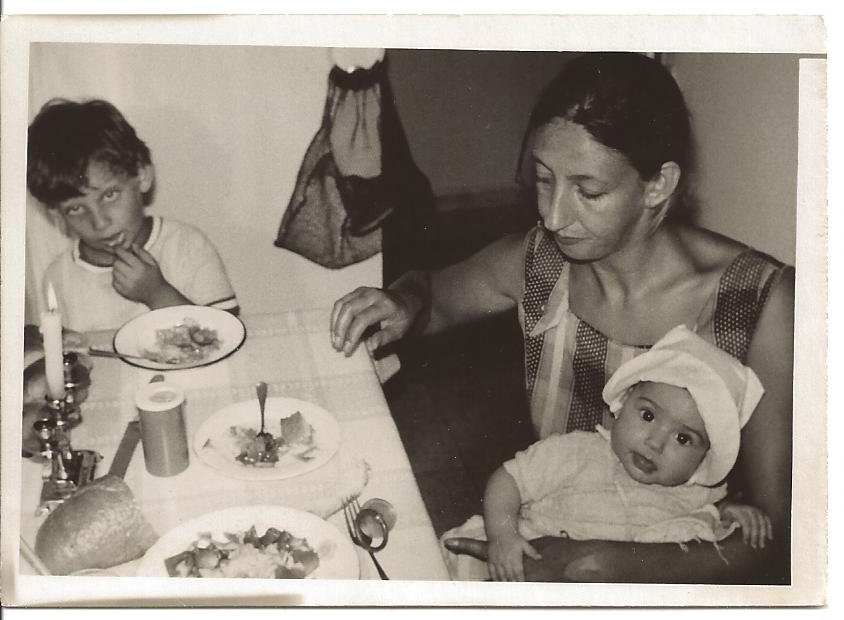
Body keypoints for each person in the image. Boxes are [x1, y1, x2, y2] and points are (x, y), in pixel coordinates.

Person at [330, 52, 794, 583]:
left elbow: (773, 536)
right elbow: (434, 294)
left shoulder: (757, 300)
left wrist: (593, 562)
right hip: (547, 534)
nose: (552, 217)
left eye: (588, 191)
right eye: (544, 180)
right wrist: (404, 302)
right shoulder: (542, 262)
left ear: (657, 185)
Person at [441, 325, 772, 581]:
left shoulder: (697, 493)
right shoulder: (576, 451)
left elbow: (710, 517)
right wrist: (504, 536)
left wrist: (730, 512)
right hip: (531, 563)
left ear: (705, 459)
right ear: (623, 403)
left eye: (683, 438)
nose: (655, 443)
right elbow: (508, 480)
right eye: (648, 416)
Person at [26, 98, 239, 333]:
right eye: (76, 209)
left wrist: (157, 294)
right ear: (55, 212)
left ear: (142, 175)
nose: (100, 223)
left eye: (110, 195)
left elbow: (228, 336)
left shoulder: (186, 247)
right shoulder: (58, 278)